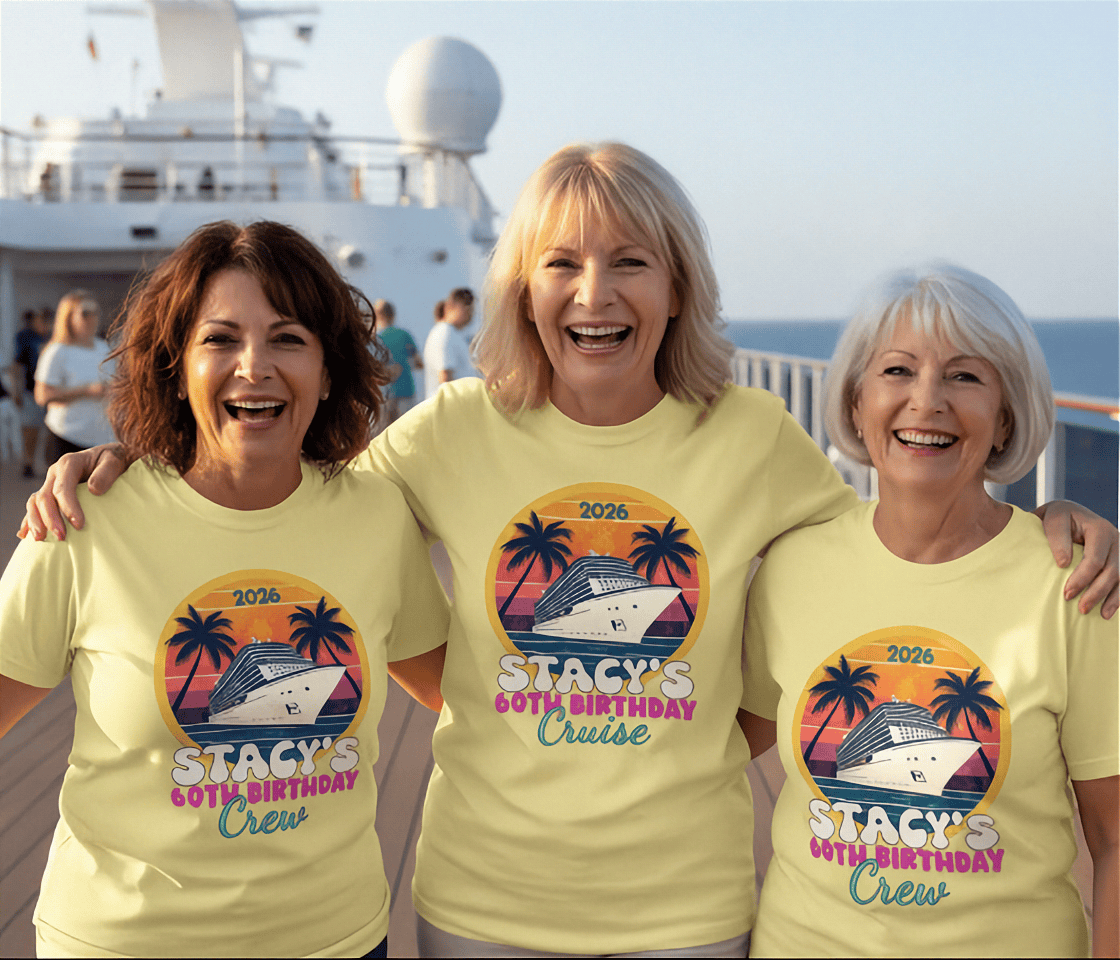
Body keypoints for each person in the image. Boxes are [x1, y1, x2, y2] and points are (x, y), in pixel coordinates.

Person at [21, 144, 1120, 958]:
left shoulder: (752, 437)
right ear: (524, 290)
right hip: (482, 894)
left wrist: (1048, 520)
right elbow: (290, 495)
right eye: (562, 264)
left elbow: (894, 548)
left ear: (676, 289)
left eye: (630, 262)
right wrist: (132, 463)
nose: (595, 294)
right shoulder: (452, 431)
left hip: (685, 903)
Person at [1, 220, 448, 958]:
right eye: (220, 339)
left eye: (288, 338)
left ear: (328, 371)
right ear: (177, 368)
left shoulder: (376, 517)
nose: (254, 366)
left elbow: (458, 690)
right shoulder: (84, 520)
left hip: (336, 939)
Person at [741, 265, 1117, 957]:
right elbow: (716, 741)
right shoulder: (792, 566)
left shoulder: (1075, 584)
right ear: (857, 404)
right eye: (898, 370)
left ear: (1005, 417)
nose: (927, 400)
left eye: (964, 376)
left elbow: (1115, 837)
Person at [34, 292, 115, 464]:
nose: (91, 318)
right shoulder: (57, 351)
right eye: (85, 313)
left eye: (95, 312)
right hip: (66, 437)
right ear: (68, 317)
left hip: (100, 440)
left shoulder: (103, 348)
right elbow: (42, 395)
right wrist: (86, 390)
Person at [13, 308, 51, 477]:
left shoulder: (52, 338)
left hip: (52, 392)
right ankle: (28, 462)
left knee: (50, 431)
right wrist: (16, 390)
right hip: (30, 391)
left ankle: (50, 464)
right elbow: (17, 366)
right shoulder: (25, 338)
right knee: (30, 429)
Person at [374, 298, 422, 423]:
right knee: (408, 430)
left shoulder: (375, 339)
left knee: (384, 432)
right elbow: (419, 363)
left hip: (383, 396)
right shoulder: (404, 335)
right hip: (406, 392)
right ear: (393, 315)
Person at [422, 286, 475, 398]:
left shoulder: (452, 333)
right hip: (451, 406)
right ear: (452, 306)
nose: (471, 314)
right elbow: (445, 379)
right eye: (468, 308)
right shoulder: (444, 333)